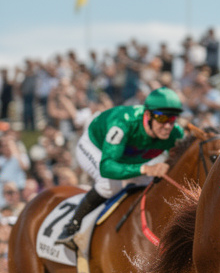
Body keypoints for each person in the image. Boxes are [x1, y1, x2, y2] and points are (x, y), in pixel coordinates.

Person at [56, 87, 185, 249]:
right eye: (162, 117)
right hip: (97, 148)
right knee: (109, 185)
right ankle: (72, 226)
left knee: (150, 187)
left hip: (127, 159)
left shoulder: (175, 134)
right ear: (147, 115)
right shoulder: (123, 123)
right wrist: (145, 169)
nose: (168, 126)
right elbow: (107, 167)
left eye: (172, 118)